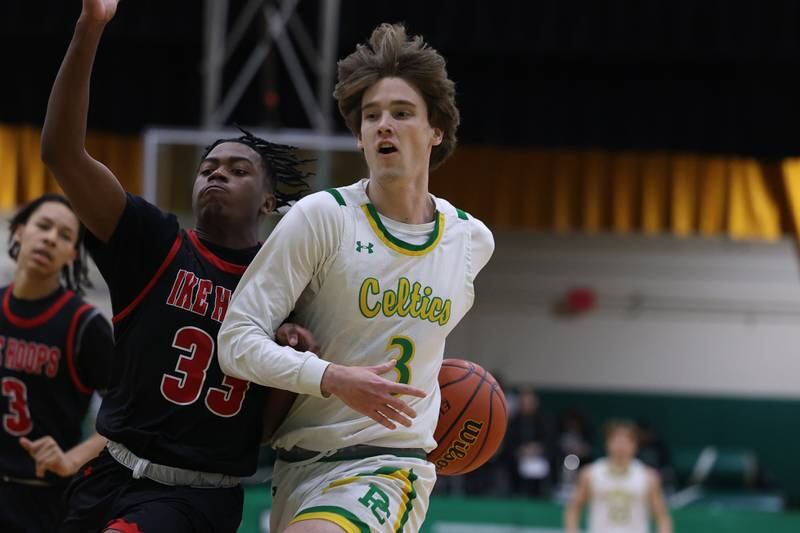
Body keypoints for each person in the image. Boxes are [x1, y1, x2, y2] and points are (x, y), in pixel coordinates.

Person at [41, 1, 316, 531]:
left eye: (238, 170)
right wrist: (90, 24)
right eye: (208, 167)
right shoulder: (154, 243)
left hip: (196, 498)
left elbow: (262, 429)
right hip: (109, 474)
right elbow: (61, 154)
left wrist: (293, 361)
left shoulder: (289, 279)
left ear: (267, 201)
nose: (217, 175)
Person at [219, 23, 495, 532]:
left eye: (402, 113)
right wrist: (332, 378)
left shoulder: (471, 241)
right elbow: (235, 342)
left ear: (436, 131)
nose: (383, 125)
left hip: (389, 467)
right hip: (296, 465)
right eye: (372, 116)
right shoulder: (321, 217)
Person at [1, 194, 113, 532]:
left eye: (65, 235)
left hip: (42, 500)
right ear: (20, 231)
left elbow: (127, 416)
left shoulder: (84, 325)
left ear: (70, 255)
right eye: (43, 226)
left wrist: (72, 459)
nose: (51, 237)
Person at [564, 420, 673, 533]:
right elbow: (574, 508)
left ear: (635, 445)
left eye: (626, 442)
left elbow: (662, 516)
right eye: (616, 441)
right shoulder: (590, 474)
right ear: (607, 443)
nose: (621, 446)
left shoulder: (648, 477)